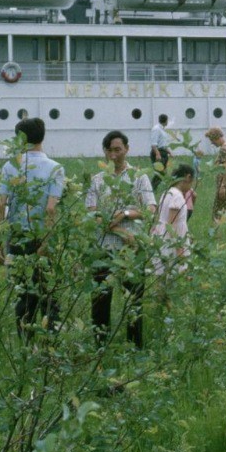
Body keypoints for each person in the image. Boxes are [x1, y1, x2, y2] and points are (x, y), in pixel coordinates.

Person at [0, 117, 66, 334]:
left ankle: (25, 342)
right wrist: (46, 241)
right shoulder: (55, 168)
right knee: (48, 293)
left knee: (23, 292)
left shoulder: (10, 166)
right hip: (41, 237)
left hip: (16, 237)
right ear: (42, 136)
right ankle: (49, 344)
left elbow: (0, 206)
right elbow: (51, 209)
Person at [85, 130, 156, 347]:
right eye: (110, 150)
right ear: (105, 152)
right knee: (100, 299)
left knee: (133, 299)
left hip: (131, 250)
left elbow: (151, 209)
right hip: (104, 248)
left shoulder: (138, 177)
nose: (114, 154)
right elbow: (92, 215)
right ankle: (100, 345)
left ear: (127, 149)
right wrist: (121, 231)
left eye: (118, 149)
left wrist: (124, 214)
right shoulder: (97, 181)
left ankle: (135, 346)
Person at [150, 163, 197, 279]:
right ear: (188, 177)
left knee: (162, 279)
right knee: (174, 279)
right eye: (192, 182)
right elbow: (172, 225)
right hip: (171, 244)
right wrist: (180, 250)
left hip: (162, 239)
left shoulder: (167, 192)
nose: (191, 187)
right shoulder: (177, 196)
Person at [149, 113, 172, 182]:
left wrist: (169, 152)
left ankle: (154, 188)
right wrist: (157, 154)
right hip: (158, 152)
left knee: (163, 173)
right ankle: (152, 188)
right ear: (166, 121)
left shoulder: (163, 130)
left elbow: (163, 144)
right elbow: (153, 144)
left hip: (163, 152)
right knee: (159, 172)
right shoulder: (156, 129)